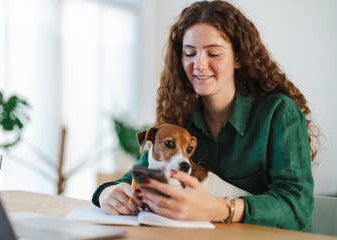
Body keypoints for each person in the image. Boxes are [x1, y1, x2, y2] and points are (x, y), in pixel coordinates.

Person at [92, 0, 320, 232]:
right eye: (189, 53)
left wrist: (222, 208)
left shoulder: (279, 112)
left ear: (239, 57)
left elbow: (297, 206)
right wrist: (107, 192)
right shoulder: (178, 116)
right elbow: (140, 173)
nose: (199, 64)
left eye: (213, 53)